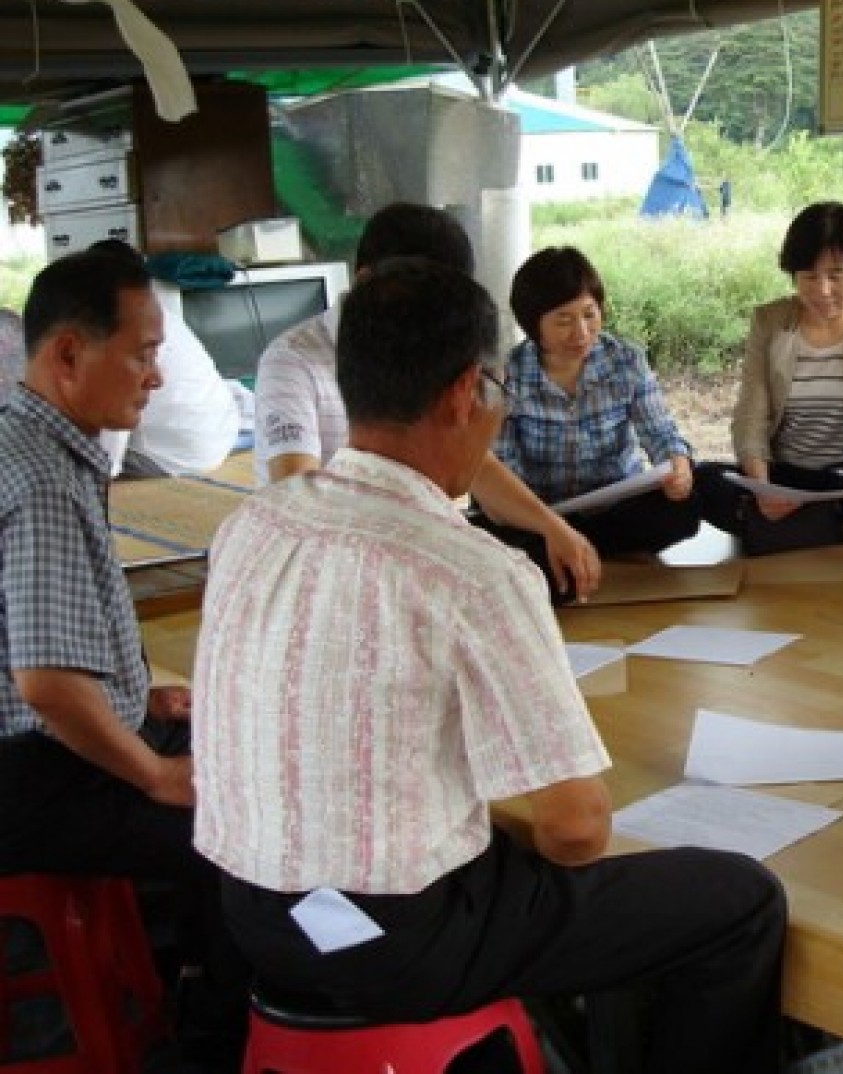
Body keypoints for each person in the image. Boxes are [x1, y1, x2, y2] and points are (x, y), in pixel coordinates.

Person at [193, 257, 787, 1073]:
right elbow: (575, 830)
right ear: (466, 394)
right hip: (396, 941)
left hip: (254, 915)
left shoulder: (254, 525)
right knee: (738, 901)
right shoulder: (473, 569)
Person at [0, 247, 246, 1067]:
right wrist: (151, 771)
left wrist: (139, 701)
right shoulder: (39, 479)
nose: (157, 378)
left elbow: (46, 643)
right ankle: (212, 1041)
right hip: (30, 778)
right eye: (143, 354)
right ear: (69, 353)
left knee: (238, 760)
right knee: (235, 828)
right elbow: (43, 684)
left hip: (46, 750)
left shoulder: (36, 445)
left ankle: (199, 990)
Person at [254, 203, 599, 601]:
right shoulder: (293, 360)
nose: (435, 319)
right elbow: (297, 489)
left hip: (410, 550)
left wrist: (552, 526)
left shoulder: (426, 350)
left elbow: (470, 458)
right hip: (334, 571)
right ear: (368, 281)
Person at [697, 202, 843, 553]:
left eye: (836, 275)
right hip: (787, 476)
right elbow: (751, 413)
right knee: (704, 481)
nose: (823, 290)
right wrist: (762, 486)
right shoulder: (769, 321)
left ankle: (790, 532)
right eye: (809, 277)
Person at [487, 246, 700, 579]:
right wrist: (547, 523)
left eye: (589, 314)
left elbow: (662, 435)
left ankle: (577, 557)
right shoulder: (508, 376)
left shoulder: (625, 361)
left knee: (694, 498)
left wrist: (678, 467)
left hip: (616, 508)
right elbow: (503, 471)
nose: (582, 333)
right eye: (564, 321)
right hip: (543, 516)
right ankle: (580, 553)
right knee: (494, 527)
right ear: (533, 324)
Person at [88, 240, 242, 479]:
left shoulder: (119, 329)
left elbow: (110, 443)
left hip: (173, 456)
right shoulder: (161, 314)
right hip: (220, 439)